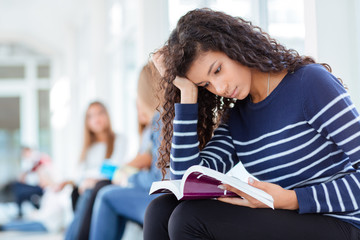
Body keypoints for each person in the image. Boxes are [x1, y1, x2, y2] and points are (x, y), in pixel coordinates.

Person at [143, 8, 360, 240]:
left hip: (340, 222)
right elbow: (184, 181)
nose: (219, 88)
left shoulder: (309, 83)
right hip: (290, 216)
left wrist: (291, 198)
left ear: (234, 46)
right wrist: (186, 92)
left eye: (217, 70)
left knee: (189, 218)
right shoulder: (237, 116)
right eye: (205, 84)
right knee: (161, 209)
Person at [88, 62, 163, 240]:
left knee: (106, 196)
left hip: (161, 201)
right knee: (106, 193)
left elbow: (158, 178)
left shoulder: (160, 121)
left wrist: (129, 178)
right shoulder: (160, 122)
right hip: (161, 197)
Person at [61, 101, 128, 239]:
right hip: (86, 188)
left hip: (105, 185)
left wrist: (89, 178)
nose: (96, 119)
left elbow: (112, 168)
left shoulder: (119, 139)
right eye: (91, 116)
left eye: (99, 113)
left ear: (107, 115)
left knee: (89, 193)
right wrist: (86, 180)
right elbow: (79, 173)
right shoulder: (88, 146)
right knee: (81, 194)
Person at [11, 147, 52, 218]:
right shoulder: (29, 163)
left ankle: (21, 211)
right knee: (18, 187)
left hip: (40, 187)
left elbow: (45, 179)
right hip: (34, 186)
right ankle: (22, 210)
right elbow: (21, 179)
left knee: (20, 190)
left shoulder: (40, 160)